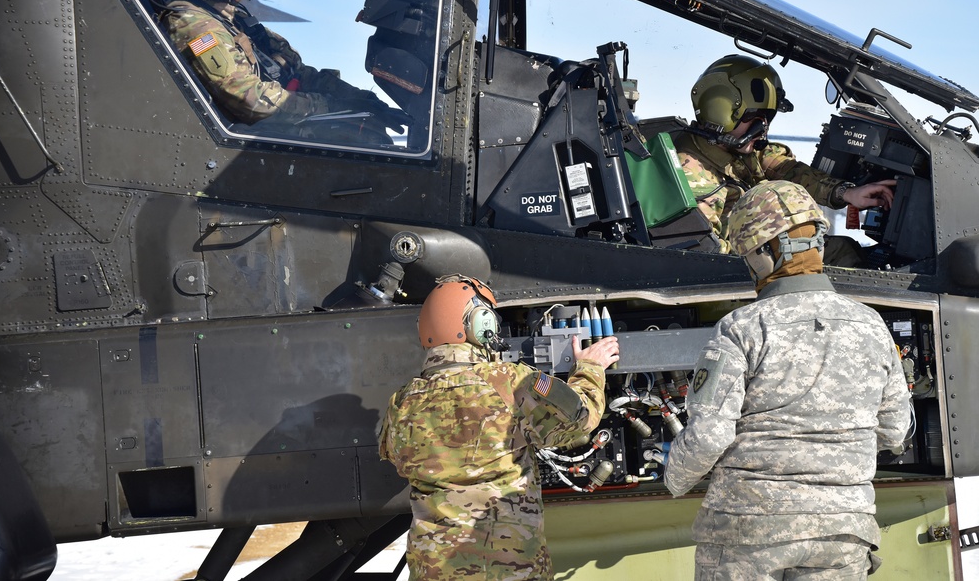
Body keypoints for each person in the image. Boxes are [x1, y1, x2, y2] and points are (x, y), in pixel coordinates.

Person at [655, 180, 912, 580]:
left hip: (749, 532)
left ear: (761, 255)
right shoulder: (872, 326)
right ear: (819, 242)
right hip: (842, 532)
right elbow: (896, 432)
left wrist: (672, 478)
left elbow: (708, 437)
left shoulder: (741, 328)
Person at [378, 275, 620, 580]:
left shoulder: (402, 403)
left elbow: (393, 456)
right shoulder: (509, 381)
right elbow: (581, 418)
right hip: (510, 568)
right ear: (480, 324)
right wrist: (590, 368)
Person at [151, 0, 405, 136]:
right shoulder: (194, 25)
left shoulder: (236, 21)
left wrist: (363, 100)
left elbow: (299, 73)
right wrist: (331, 107)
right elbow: (249, 99)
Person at [674, 54, 896, 262]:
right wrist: (778, 257)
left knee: (842, 251)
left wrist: (846, 192)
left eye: (767, 118)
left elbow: (791, 170)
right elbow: (704, 255)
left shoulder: (743, 151)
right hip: (740, 273)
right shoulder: (692, 173)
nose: (763, 128)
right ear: (720, 111)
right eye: (755, 118)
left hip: (758, 257)